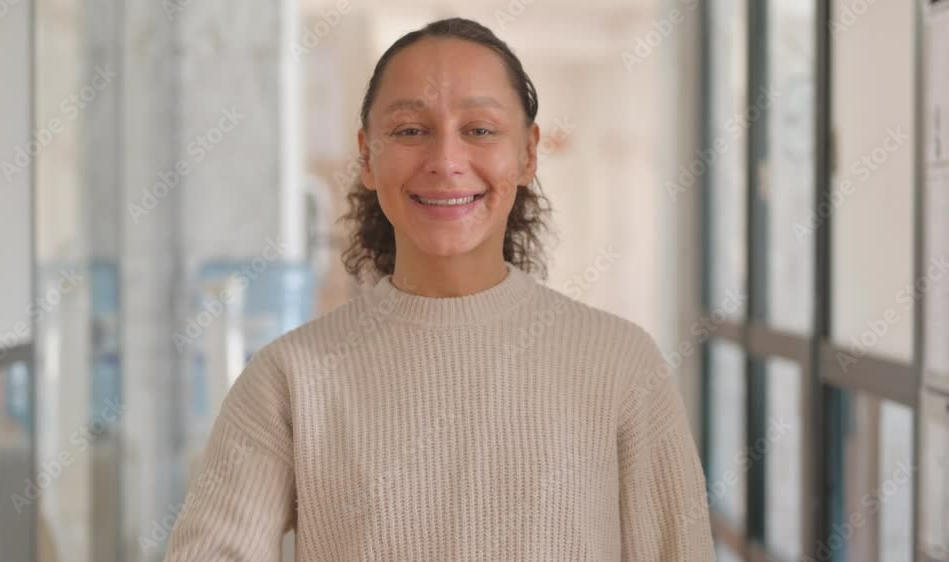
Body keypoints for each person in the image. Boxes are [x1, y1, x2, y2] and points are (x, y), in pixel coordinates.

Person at [164, 16, 715, 561]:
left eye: (479, 130)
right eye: (410, 130)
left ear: (526, 154)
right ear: (367, 157)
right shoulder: (290, 380)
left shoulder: (622, 366)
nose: (446, 162)